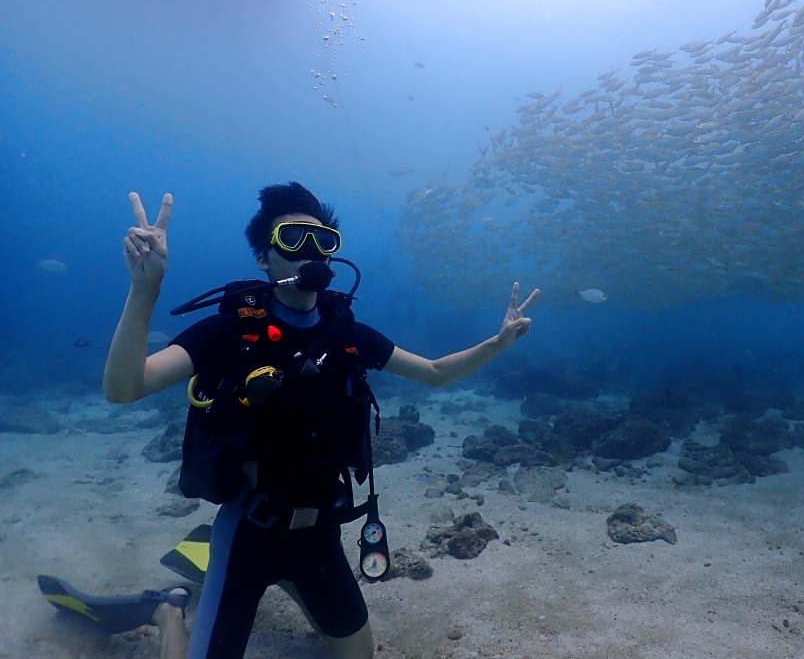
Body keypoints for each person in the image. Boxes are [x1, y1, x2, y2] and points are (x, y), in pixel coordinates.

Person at [102, 182, 539, 659]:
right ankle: (169, 613)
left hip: (319, 535)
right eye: (292, 239)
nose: (310, 252)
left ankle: (290, 581)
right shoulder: (232, 330)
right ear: (263, 259)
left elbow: (433, 374)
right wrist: (145, 289)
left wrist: (497, 344)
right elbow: (126, 388)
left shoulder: (345, 332)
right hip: (249, 532)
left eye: (323, 241)